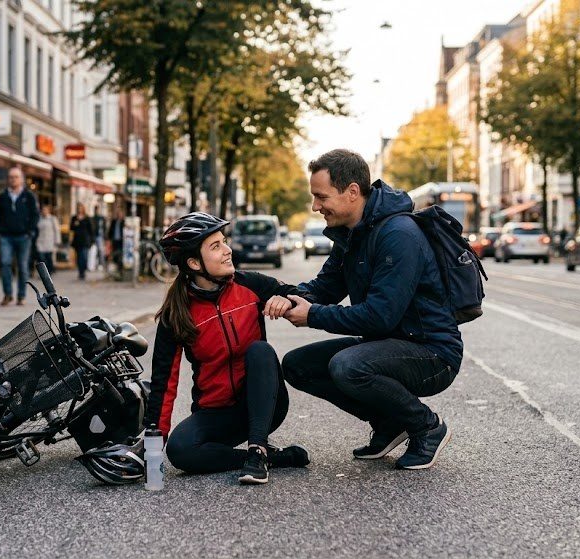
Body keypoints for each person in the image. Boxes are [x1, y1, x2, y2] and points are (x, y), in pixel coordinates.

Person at [281, 149, 462, 470]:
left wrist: (312, 315)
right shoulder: (354, 234)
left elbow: (379, 316)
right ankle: (392, 422)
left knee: (347, 366)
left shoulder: (398, 235)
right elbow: (325, 287)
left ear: (352, 192)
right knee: (297, 366)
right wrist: (285, 297)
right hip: (385, 344)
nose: (315, 206)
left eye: (321, 197)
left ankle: (426, 426)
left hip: (432, 353)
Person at [145, 212, 310, 485]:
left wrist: (286, 300)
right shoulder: (176, 314)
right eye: (216, 246)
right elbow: (164, 382)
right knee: (180, 450)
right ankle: (271, 458)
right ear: (194, 263)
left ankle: (258, 450)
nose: (227, 250)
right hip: (217, 413)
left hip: (264, 405)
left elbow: (302, 293)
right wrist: (152, 440)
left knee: (260, 351)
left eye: (224, 241)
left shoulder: (251, 286)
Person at [0, 167, 38, 305]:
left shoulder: (29, 196)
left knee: (23, 266)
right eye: (10, 177)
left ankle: (21, 296)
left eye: (16, 177)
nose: (13, 179)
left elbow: (35, 215)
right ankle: (8, 294)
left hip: (24, 236)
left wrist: (30, 231)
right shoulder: (3, 196)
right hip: (6, 236)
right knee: (5, 264)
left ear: (21, 179)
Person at [70, 202, 95, 280]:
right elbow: (71, 228)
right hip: (77, 240)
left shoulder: (87, 218)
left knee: (84, 256)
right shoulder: (74, 218)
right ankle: (80, 272)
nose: (79, 209)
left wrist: (92, 240)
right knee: (79, 257)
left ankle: (83, 271)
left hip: (85, 240)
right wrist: (75, 224)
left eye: (81, 208)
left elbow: (91, 230)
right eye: (78, 208)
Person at [35, 204, 61, 274]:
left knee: (49, 258)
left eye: (45, 210)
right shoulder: (38, 219)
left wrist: (57, 241)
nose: (44, 211)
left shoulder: (53, 219)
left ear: (48, 211)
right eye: (43, 210)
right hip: (40, 241)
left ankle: (49, 272)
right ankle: (43, 273)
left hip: (50, 241)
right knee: (41, 258)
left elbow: (56, 230)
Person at [107, 206, 126, 273]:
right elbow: (110, 231)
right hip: (114, 240)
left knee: (120, 254)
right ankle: (117, 268)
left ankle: (120, 268)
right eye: (118, 213)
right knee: (115, 255)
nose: (119, 215)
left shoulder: (124, 222)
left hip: (121, 241)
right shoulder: (114, 221)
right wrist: (109, 239)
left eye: (120, 213)